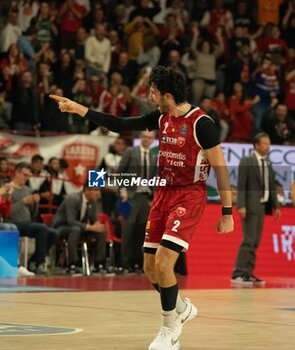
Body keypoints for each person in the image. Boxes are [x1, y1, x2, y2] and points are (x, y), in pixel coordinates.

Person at [50, 65, 234, 350]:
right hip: (162, 195)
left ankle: (169, 330)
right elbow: (120, 124)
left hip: (188, 196)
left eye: (153, 92)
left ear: (168, 96)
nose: (149, 96)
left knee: (163, 262)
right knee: (149, 267)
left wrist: (226, 212)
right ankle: (181, 308)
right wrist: (79, 109)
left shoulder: (202, 124)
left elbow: (221, 169)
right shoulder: (161, 117)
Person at [231, 132, 281, 287]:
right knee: (248, 239)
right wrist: (241, 205)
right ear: (256, 145)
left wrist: (276, 206)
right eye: (265, 144)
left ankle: (248, 273)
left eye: (268, 144)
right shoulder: (247, 160)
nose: (268, 147)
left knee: (256, 241)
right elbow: (241, 184)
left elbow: (271, 186)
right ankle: (238, 273)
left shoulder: (268, 163)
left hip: (262, 207)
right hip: (250, 206)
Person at [7, 162, 59, 275]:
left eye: (28, 176)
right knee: (41, 228)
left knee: (54, 233)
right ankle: (39, 264)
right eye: (24, 175)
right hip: (12, 222)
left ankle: (34, 260)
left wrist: (35, 203)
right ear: (17, 172)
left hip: (27, 222)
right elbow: (7, 212)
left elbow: (33, 213)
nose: (26, 178)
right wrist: (23, 202)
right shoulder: (8, 188)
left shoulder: (28, 189)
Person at [118, 130, 157, 273]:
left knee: (142, 233)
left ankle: (138, 264)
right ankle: (124, 264)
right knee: (128, 230)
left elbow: (154, 178)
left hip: (145, 198)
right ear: (140, 138)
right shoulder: (130, 152)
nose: (147, 140)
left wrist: (153, 198)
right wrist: (122, 190)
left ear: (153, 140)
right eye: (145, 137)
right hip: (130, 196)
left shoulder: (153, 156)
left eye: (150, 138)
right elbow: (120, 172)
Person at [52, 186, 106, 275]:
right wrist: (89, 227)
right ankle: (73, 264)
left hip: (79, 229)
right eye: (96, 190)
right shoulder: (73, 199)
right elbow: (71, 221)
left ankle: (99, 264)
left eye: (98, 190)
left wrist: (97, 225)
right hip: (61, 227)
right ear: (87, 190)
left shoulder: (92, 202)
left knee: (101, 232)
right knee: (75, 230)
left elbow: (93, 220)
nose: (98, 193)